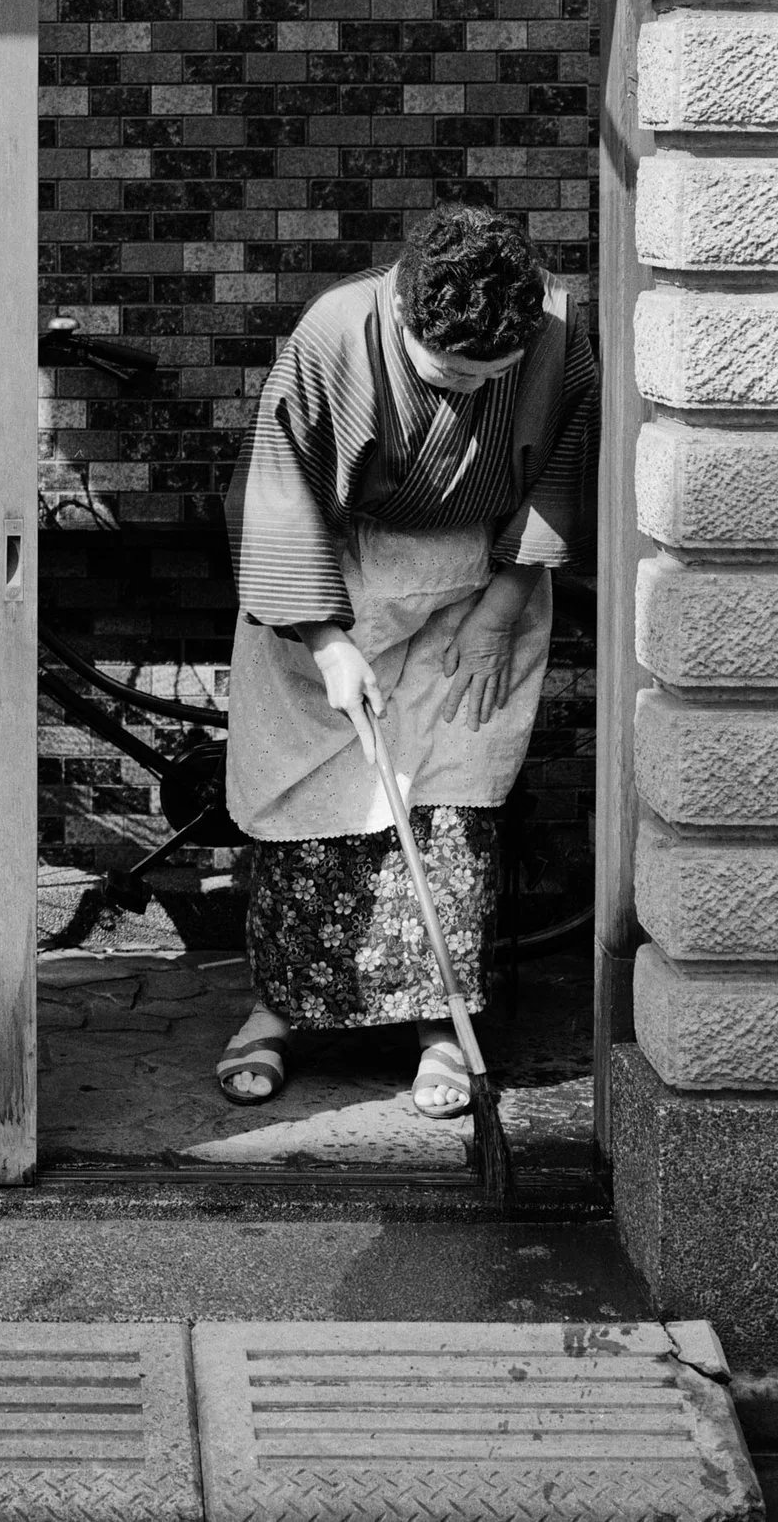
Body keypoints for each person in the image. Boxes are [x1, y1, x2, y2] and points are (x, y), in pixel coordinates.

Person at [213, 203, 595, 1116]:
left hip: (480, 579)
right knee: (314, 797)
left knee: (448, 801)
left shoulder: (557, 331)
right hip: (342, 577)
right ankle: (280, 1009)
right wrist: (326, 639)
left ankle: (441, 1026)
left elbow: (565, 457)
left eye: (488, 374)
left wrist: (503, 607)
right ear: (403, 315)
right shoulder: (334, 332)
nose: (466, 390)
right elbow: (278, 488)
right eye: (446, 372)